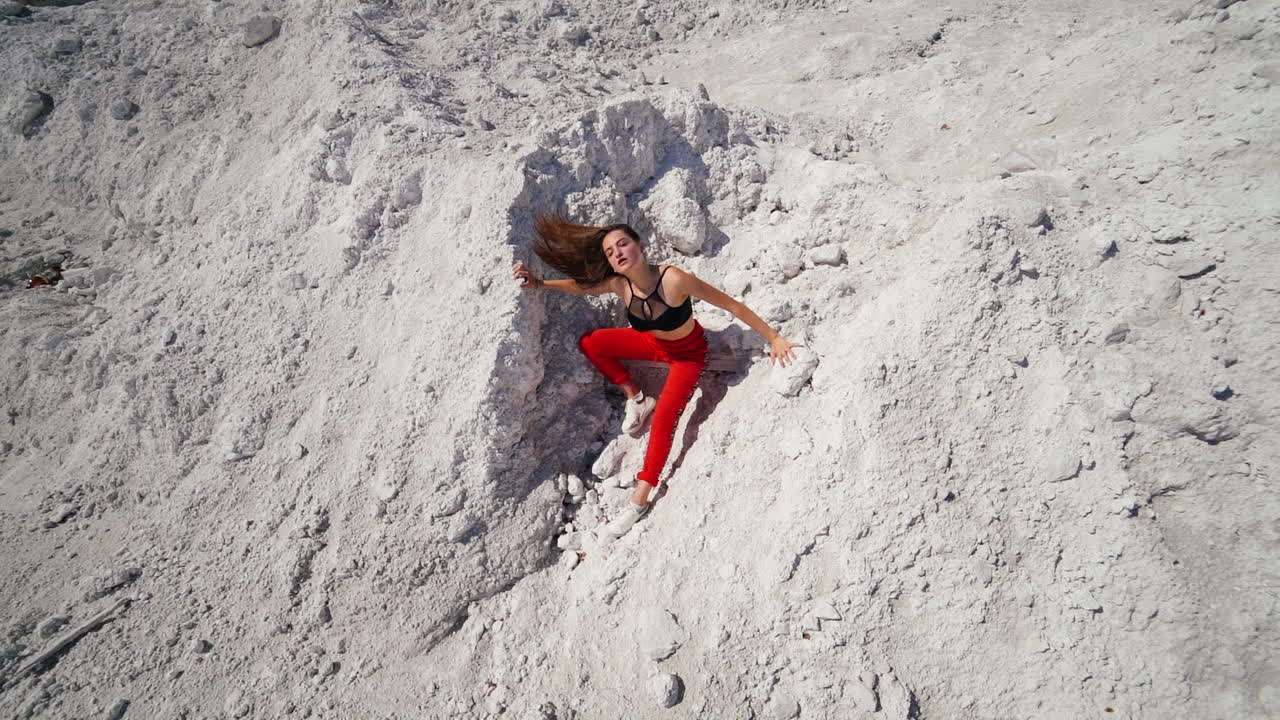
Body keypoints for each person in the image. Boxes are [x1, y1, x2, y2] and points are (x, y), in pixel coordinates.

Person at [512, 216, 798, 539]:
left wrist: (773, 337)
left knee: (664, 420)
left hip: (688, 357)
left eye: (623, 244)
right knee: (591, 343)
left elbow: (731, 305)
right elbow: (581, 287)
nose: (617, 253)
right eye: (609, 252)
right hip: (654, 346)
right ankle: (636, 396)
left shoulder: (675, 279)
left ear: (640, 245)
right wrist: (540, 284)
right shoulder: (620, 285)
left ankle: (639, 501)